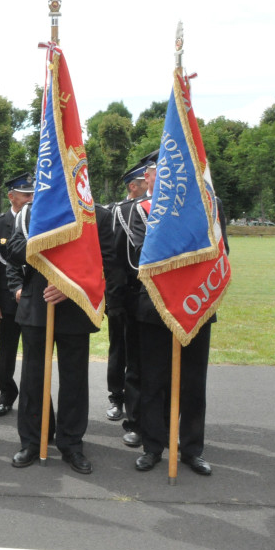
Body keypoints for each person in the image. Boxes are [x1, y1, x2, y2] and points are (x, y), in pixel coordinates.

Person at [130, 179, 228, 477]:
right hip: (156, 306)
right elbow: (138, 254)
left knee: (194, 384)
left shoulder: (212, 205)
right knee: (153, 383)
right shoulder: (143, 209)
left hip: (196, 304)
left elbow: (222, 251)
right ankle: (153, 447)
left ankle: (191, 450)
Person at [6, 203, 99, 474]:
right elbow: (13, 251)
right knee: (33, 380)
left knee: (74, 381)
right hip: (38, 304)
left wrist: (70, 283)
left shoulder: (89, 211)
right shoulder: (29, 212)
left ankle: (71, 444)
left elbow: (102, 255)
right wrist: (47, 249)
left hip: (75, 303)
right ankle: (33, 441)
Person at [111, 154, 157, 448]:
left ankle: (169, 424)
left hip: (179, 299)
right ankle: (137, 422)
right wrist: (114, 300)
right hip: (137, 297)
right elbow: (117, 260)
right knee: (137, 365)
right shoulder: (126, 212)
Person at [103, 161, 151, 424]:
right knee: (118, 349)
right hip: (122, 294)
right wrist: (113, 299)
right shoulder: (117, 212)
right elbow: (113, 259)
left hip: (145, 296)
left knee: (139, 354)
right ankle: (115, 397)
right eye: (144, 183)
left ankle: (140, 406)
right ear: (134, 186)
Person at [0, 172, 34, 417]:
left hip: (35, 296)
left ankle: (30, 397)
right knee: (7, 350)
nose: (29, 200)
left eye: (32, 195)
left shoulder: (38, 219)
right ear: (11, 196)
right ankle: (6, 394)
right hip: (7, 299)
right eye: (25, 195)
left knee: (33, 352)